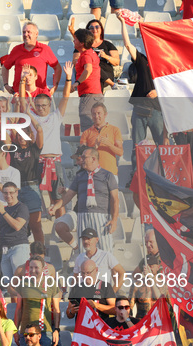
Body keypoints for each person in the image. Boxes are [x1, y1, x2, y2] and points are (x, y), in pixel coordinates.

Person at [115, 12, 164, 182]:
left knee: (162, 145)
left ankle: (164, 176)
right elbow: (127, 44)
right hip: (140, 108)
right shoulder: (142, 60)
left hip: (158, 110)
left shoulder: (165, 63)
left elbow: (172, 86)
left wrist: (159, 92)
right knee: (138, 146)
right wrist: (123, 23)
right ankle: (137, 176)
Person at [48, 147, 119, 253]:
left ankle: (106, 270)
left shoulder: (107, 175)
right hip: (82, 215)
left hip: (101, 216)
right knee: (84, 250)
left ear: (93, 159)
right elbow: (69, 195)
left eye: (84, 157)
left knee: (105, 250)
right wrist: (56, 207)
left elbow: (115, 199)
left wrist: (114, 220)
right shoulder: (80, 176)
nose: (82, 159)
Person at [28, 63, 74, 221]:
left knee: (57, 198)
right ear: (34, 105)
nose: (41, 108)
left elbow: (66, 97)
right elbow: (22, 104)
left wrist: (68, 78)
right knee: (36, 197)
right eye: (38, 105)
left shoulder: (56, 116)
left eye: (44, 105)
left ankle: (62, 225)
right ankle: (41, 226)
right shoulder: (32, 119)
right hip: (38, 161)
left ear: (49, 105)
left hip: (55, 162)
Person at [11, 87, 44, 243]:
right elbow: (7, 132)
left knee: (36, 225)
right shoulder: (12, 148)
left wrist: (28, 113)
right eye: (19, 134)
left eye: (25, 133)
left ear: (29, 135)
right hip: (16, 190)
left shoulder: (35, 148)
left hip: (32, 188)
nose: (22, 137)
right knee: (20, 227)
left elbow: (39, 129)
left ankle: (42, 254)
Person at [13, 255, 61, 346]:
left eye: (36, 267)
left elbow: (56, 309)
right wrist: (15, 331)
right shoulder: (23, 284)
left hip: (44, 331)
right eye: (31, 267)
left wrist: (56, 330)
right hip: (26, 332)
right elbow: (18, 309)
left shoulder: (51, 283)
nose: (33, 270)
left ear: (43, 268)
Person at [1, 22, 61, 96]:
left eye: (29, 32)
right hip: (20, 95)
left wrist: (55, 86)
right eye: (24, 32)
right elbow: (5, 67)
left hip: (40, 96)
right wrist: (6, 84)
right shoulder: (16, 49)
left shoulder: (44, 49)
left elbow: (57, 67)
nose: (25, 34)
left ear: (36, 34)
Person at [0, 182, 29, 279]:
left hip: (18, 246)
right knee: (8, 284)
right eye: (5, 193)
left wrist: (3, 211)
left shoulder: (22, 207)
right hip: (5, 249)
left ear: (16, 193)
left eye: (11, 192)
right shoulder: (4, 209)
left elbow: (17, 226)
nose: (8, 195)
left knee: (21, 281)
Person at [69, 18, 120, 90]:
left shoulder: (108, 45)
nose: (94, 29)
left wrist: (105, 56)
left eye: (97, 27)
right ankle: (111, 86)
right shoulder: (82, 46)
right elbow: (75, 61)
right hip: (88, 72)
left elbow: (116, 62)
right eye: (91, 27)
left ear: (101, 29)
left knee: (96, 77)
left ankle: (98, 97)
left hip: (106, 72)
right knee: (93, 67)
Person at [73, 227, 125, 293]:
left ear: (97, 240)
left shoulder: (106, 255)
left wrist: (112, 292)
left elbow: (122, 273)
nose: (85, 241)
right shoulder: (79, 257)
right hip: (84, 294)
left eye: (89, 239)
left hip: (102, 294)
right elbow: (75, 278)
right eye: (83, 239)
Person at [80, 102, 124, 177]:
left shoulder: (115, 130)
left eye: (99, 113)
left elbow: (120, 152)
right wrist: (94, 148)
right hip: (93, 173)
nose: (96, 116)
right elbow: (81, 155)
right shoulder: (86, 133)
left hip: (110, 173)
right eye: (94, 114)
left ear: (105, 114)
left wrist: (109, 144)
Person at [72, 28, 103, 133]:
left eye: (75, 39)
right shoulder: (91, 53)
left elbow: (88, 70)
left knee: (88, 128)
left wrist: (77, 83)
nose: (73, 41)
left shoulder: (86, 55)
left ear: (81, 43)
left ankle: (89, 149)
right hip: (95, 95)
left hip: (89, 96)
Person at [130, 254, 167, 319]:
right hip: (142, 323)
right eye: (146, 267)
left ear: (158, 267)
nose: (148, 269)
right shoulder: (137, 285)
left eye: (151, 266)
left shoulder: (163, 284)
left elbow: (161, 300)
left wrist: (150, 277)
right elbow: (129, 307)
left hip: (158, 323)